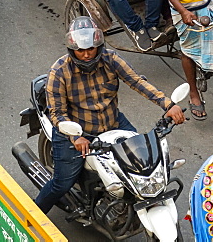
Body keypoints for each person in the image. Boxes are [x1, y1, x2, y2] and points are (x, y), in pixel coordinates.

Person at [34, 17, 185, 212]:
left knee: (142, 162)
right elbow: (57, 113)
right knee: (62, 184)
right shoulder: (59, 71)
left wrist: (168, 104)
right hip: (77, 131)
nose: (87, 55)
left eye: (91, 49)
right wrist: (75, 136)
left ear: (99, 45)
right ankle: (31, 220)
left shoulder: (110, 59)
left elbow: (137, 81)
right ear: (72, 50)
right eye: (81, 50)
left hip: (112, 123)